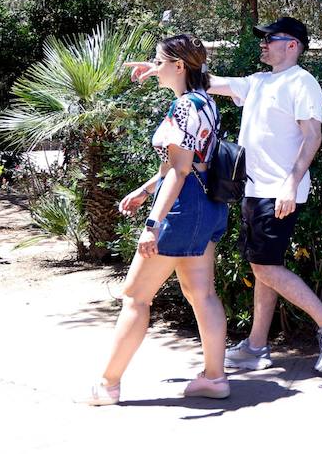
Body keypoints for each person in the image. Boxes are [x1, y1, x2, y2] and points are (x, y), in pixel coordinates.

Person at [198, 17, 322, 374]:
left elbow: (313, 137)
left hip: (278, 192)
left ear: (293, 45)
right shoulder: (258, 83)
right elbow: (209, 83)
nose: (263, 44)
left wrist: (291, 182)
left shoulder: (302, 83)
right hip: (253, 191)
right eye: (264, 39)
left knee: (264, 265)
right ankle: (256, 347)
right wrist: (166, 69)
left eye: (270, 39)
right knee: (264, 266)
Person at [82, 34, 230, 405]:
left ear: (179, 66)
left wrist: (153, 224)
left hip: (182, 207)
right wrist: (146, 189)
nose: (154, 67)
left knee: (135, 296)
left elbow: (179, 172)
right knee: (202, 294)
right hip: (208, 204)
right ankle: (214, 379)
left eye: (159, 62)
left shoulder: (182, 108)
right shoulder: (206, 103)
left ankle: (108, 385)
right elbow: (189, 163)